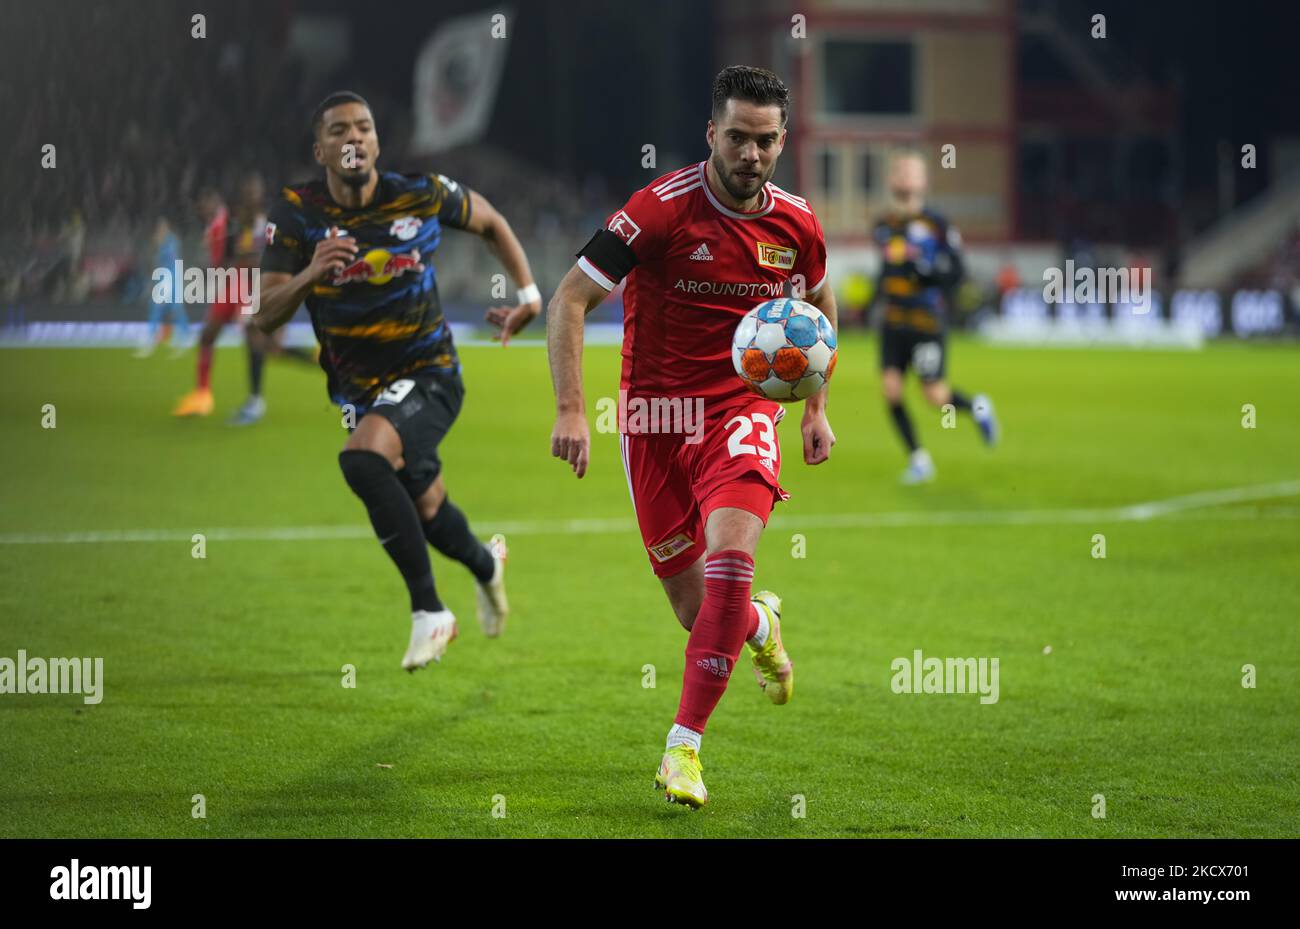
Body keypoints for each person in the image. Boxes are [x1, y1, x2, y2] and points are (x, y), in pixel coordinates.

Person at [546, 66, 836, 808]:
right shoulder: (659, 210)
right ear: (712, 134)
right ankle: (759, 625)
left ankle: (683, 748)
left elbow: (821, 307)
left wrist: (812, 409)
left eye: (766, 141)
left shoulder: (797, 222)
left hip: (742, 414)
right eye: (737, 137)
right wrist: (573, 409)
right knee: (693, 604)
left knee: (733, 562)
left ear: (781, 141)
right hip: (652, 422)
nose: (751, 154)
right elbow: (571, 300)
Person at [252, 91, 541, 668]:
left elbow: (491, 221)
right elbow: (263, 314)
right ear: (321, 149)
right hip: (360, 391)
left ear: (378, 142)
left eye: (363, 127)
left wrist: (529, 295)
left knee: (362, 460)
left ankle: (430, 612)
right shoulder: (293, 214)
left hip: (429, 372)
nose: (353, 138)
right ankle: (487, 566)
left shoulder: (422, 193)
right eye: (338, 130)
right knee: (428, 509)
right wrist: (312, 271)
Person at [872, 151, 998, 483]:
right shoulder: (884, 225)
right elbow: (886, 270)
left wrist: (927, 273)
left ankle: (977, 407)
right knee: (891, 390)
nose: (904, 176)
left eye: (911, 171)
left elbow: (957, 270)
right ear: (891, 180)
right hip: (893, 322)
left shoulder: (938, 224)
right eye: (899, 169)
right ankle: (919, 460)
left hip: (926, 321)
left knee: (935, 396)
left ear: (923, 182)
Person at [226, 171, 317, 426]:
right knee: (271, 348)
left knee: (257, 339)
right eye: (247, 192)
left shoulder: (269, 222)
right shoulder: (242, 225)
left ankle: (254, 403)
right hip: (256, 289)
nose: (250, 196)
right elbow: (240, 260)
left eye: (254, 191)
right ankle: (329, 364)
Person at [135, 216, 191, 357]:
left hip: (171, 277)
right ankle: (157, 337)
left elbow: (172, 259)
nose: (160, 230)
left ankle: (182, 337)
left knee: (174, 308)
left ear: (166, 228)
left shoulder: (170, 241)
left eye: (162, 227)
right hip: (165, 277)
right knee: (161, 308)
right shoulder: (165, 242)